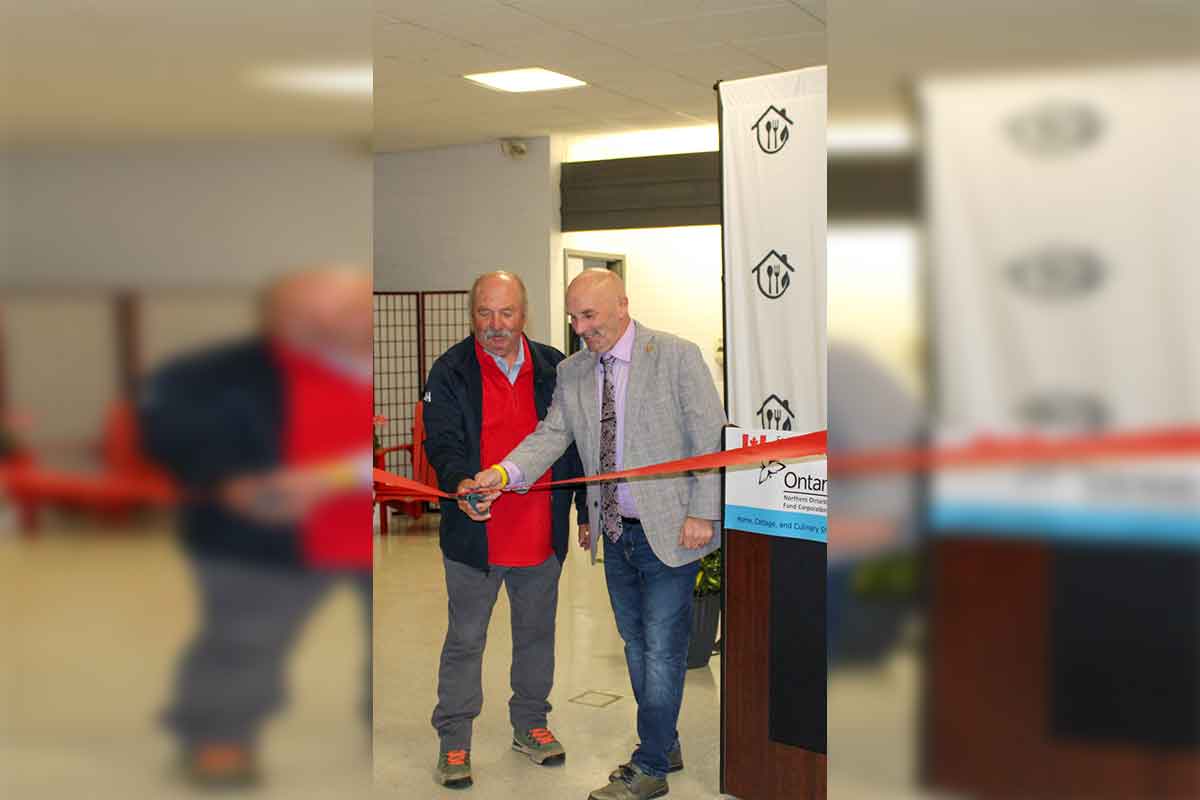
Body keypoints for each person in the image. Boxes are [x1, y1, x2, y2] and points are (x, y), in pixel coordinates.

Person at [470, 270, 726, 800]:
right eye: (574, 318)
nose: (581, 328)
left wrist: (704, 512)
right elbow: (550, 436)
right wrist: (501, 474)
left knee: (662, 650)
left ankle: (650, 766)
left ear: (622, 306)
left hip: (672, 529)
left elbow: (710, 438)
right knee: (636, 645)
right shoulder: (574, 371)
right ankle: (665, 742)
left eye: (589, 316)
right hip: (616, 533)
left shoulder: (675, 356)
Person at [137, 266, 373, 788]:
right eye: (307, 315)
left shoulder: (390, 366)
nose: (327, 327)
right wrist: (229, 481)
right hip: (266, 530)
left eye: (345, 313)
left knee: (383, 635)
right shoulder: (215, 372)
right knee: (244, 636)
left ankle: (377, 717)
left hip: (368, 530)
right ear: (273, 316)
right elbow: (167, 429)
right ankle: (220, 733)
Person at [421, 271, 587, 789]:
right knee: (466, 639)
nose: (495, 324)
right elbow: (441, 440)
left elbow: (574, 440)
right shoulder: (450, 370)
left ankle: (530, 724)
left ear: (524, 314)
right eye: (484, 312)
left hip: (540, 530)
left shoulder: (555, 367)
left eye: (506, 312)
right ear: (472, 315)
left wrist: (584, 510)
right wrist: (460, 482)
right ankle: (454, 738)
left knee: (536, 635)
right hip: (475, 533)